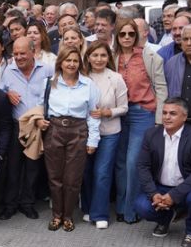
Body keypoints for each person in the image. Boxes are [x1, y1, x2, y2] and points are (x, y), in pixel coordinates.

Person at [134, 97, 191, 247]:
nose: (167, 117)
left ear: (184, 117)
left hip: (187, 189)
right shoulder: (151, 134)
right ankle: (165, 219)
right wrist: (153, 194)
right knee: (141, 206)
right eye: (164, 113)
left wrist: (174, 196)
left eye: (173, 113)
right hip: (161, 187)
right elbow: (142, 166)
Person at [37, 47, 101, 232]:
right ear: (61, 63)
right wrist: (39, 121)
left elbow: (93, 114)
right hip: (54, 130)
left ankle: (68, 216)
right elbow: (40, 107)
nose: (71, 64)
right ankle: (56, 215)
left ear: (79, 63)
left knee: (72, 178)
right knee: (54, 176)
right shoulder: (49, 83)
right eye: (68, 60)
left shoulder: (88, 84)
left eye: (75, 60)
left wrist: (93, 140)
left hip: (78, 131)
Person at [113, 18, 167, 224]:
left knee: (133, 162)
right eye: (123, 34)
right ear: (117, 36)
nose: (127, 37)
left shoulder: (150, 56)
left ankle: (131, 209)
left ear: (137, 35)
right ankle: (120, 206)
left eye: (131, 34)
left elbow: (161, 87)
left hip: (142, 112)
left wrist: (160, 118)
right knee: (120, 162)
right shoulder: (111, 56)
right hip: (118, 113)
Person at [0, 37, 53, 220]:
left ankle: (27, 204)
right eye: (16, 54)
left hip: (38, 125)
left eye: (23, 53)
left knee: (33, 167)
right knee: (13, 167)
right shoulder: (9, 70)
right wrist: (7, 94)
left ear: (33, 52)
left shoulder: (47, 69)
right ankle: (10, 205)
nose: (19, 57)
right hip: (18, 125)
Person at [80, 41, 128, 230]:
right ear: (88, 57)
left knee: (102, 173)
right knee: (86, 171)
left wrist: (108, 112)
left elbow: (124, 107)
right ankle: (88, 208)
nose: (99, 59)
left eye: (103, 55)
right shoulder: (82, 77)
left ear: (108, 57)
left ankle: (100, 214)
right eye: (95, 55)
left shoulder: (116, 78)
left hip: (109, 132)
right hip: (85, 132)